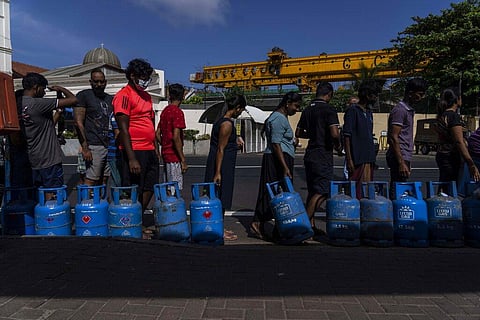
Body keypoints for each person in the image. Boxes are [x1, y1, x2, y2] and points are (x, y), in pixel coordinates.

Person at [112, 58, 158, 237]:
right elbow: (123, 129)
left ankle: (137, 219)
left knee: (149, 186)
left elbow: (150, 122)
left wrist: (155, 148)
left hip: (149, 150)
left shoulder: (146, 96)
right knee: (132, 189)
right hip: (134, 150)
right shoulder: (124, 96)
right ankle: (129, 224)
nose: (146, 81)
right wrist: (131, 158)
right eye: (143, 77)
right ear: (133, 76)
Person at [250, 92, 301, 240]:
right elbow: (276, 144)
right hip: (277, 159)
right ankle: (258, 222)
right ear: (287, 103)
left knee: (278, 192)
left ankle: (277, 227)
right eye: (296, 106)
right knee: (271, 192)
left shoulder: (280, 117)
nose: (296, 110)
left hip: (280, 157)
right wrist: (284, 167)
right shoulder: (278, 118)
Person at [295, 81, 341, 234]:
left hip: (310, 153)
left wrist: (313, 135)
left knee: (312, 190)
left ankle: (312, 225)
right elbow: (334, 133)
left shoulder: (307, 110)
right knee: (323, 190)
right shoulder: (329, 109)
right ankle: (305, 225)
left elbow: (299, 133)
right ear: (329, 95)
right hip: (323, 153)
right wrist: (338, 146)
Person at [20, 72, 77, 189]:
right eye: (43, 89)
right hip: (49, 159)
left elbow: (48, 125)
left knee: (38, 195)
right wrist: (60, 88)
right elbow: (73, 100)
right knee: (54, 194)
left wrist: (58, 110)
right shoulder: (37, 103)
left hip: (34, 159)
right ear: (36, 88)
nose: (44, 92)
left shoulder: (19, 103)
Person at [204, 94, 247, 241]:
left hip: (221, 162)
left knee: (219, 196)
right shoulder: (227, 124)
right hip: (222, 164)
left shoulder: (221, 121)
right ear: (237, 108)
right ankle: (217, 229)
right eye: (241, 110)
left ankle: (219, 226)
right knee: (219, 195)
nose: (240, 113)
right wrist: (218, 172)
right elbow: (221, 149)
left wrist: (235, 143)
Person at [386, 78, 428, 198]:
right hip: (399, 155)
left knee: (400, 187)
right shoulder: (400, 110)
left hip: (404, 154)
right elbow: (394, 137)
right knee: (397, 188)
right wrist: (401, 162)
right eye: (419, 94)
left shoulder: (409, 110)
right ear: (410, 93)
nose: (421, 97)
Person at [74, 69, 113, 186]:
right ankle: (87, 202)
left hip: (108, 145)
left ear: (105, 82)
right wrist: (85, 147)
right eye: (96, 82)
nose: (99, 85)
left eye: (101, 82)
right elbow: (78, 122)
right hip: (93, 145)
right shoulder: (84, 96)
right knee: (91, 178)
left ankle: (101, 201)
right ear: (91, 82)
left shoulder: (110, 99)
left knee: (105, 178)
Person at [434, 87, 480, 186]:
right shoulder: (453, 116)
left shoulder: (442, 115)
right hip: (451, 157)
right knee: (451, 187)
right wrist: (471, 163)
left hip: (442, 155)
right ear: (457, 99)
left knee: (444, 185)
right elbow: (459, 141)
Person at [343, 80, 381, 199]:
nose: (375, 98)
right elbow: (347, 136)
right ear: (367, 95)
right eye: (374, 95)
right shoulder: (353, 111)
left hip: (368, 158)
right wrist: (349, 160)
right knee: (356, 192)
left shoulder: (369, 113)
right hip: (357, 158)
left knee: (367, 191)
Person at [157, 83, 188, 191]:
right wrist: (182, 159)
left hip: (165, 154)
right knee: (175, 188)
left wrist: (165, 144)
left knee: (167, 186)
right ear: (182, 96)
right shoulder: (178, 112)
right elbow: (176, 137)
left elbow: (157, 133)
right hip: (174, 156)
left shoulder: (165, 111)